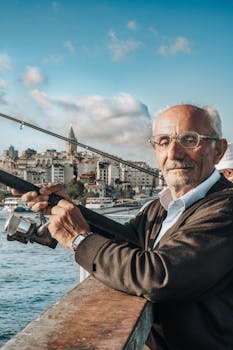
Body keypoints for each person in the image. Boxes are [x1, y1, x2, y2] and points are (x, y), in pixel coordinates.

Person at [18, 104, 233, 350]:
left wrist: (78, 239)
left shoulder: (225, 207)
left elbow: (158, 276)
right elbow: (126, 241)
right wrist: (68, 208)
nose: (173, 153)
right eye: (163, 141)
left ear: (219, 150)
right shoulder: (162, 206)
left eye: (189, 140)